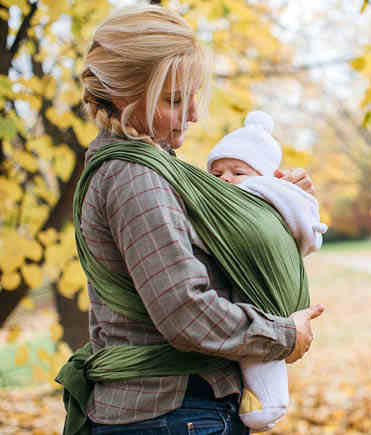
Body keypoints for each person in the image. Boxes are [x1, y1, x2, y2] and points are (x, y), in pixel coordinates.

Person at [60, 5, 324, 435]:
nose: (195, 114)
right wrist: (282, 336)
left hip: (173, 412)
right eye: (174, 99)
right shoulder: (135, 178)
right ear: (126, 95)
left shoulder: (152, 169)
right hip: (168, 413)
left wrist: (276, 204)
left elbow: (221, 252)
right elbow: (186, 311)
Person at [206, 110, 328, 431]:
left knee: (262, 357)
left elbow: (300, 230)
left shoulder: (264, 196)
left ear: (264, 176)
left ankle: (268, 403)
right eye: (216, 173)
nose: (226, 180)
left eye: (237, 171)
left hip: (263, 290)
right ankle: (263, 403)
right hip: (247, 298)